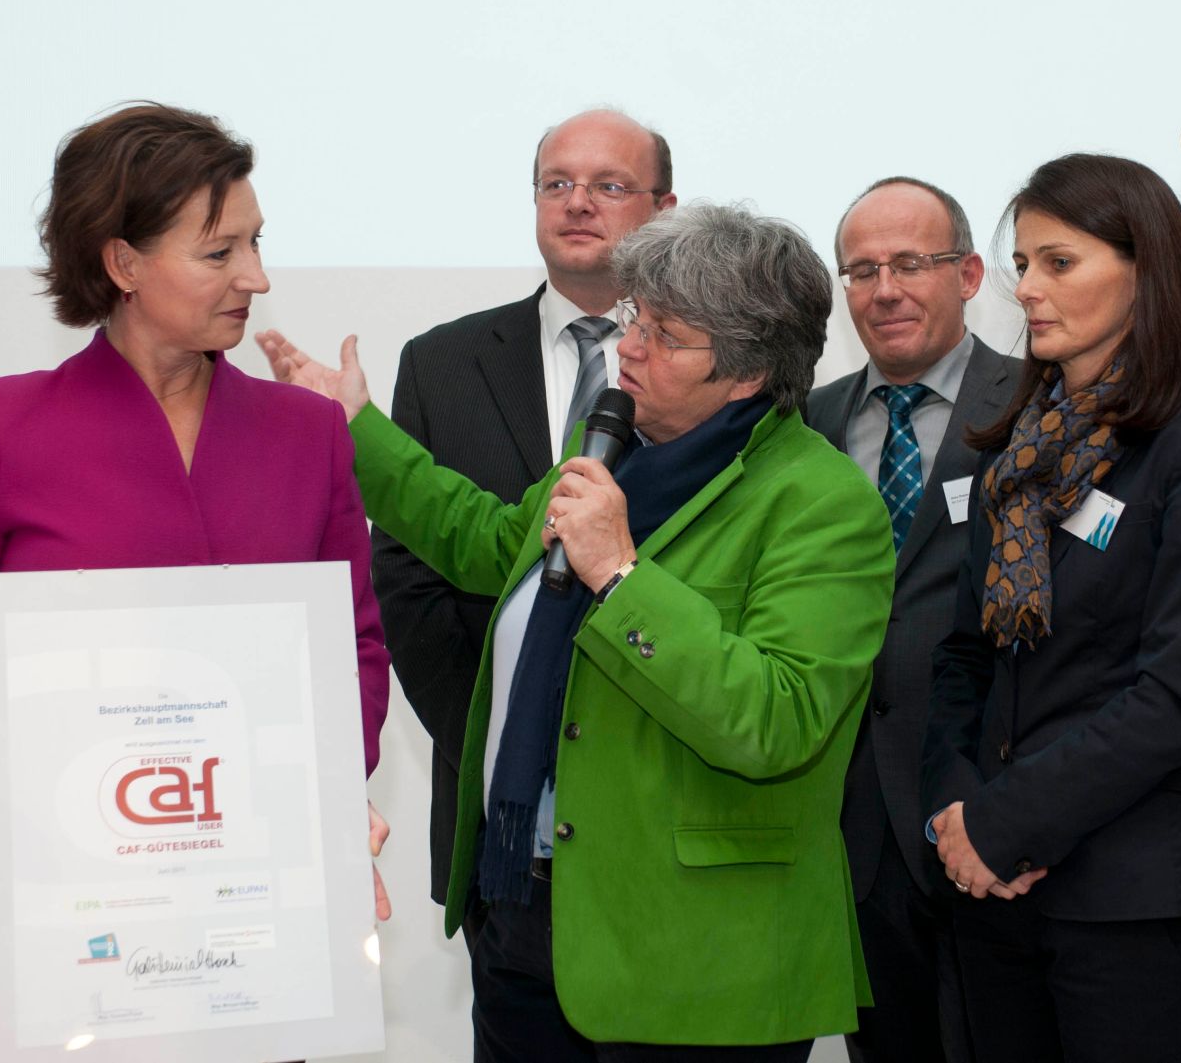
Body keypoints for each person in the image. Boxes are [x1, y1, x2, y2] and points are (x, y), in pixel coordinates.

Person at [259, 202, 895, 1060]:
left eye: (665, 336)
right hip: (529, 908)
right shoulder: (610, 449)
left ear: (744, 374)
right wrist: (355, 430)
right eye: (636, 317)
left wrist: (622, 577)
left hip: (696, 955)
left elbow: (776, 717)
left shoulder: (823, 503)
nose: (627, 346)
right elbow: (485, 543)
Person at [0, 103, 391, 1062]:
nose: (258, 276)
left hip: (253, 914)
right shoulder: (2, 429)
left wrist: (327, 789)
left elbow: (352, 646)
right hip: (51, 917)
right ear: (122, 263)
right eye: (220, 251)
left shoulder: (307, 433)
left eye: (257, 242)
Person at [922, 153, 1181, 1062]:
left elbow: (1178, 696)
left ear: (1145, 270)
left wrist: (1007, 824)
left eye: (1058, 262)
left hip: (1130, 903)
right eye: (1023, 264)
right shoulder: (1013, 453)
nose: (1029, 287)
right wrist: (957, 813)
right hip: (990, 892)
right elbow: (964, 658)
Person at [368, 110, 676, 1027]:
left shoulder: (711, 370)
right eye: (556, 183)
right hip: (504, 818)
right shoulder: (442, 361)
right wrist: (503, 730)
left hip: (657, 809)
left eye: (609, 185)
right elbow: (411, 576)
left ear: (665, 208)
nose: (577, 202)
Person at [807, 176, 1016, 1063]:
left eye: (910, 264)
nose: (883, 288)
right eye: (861, 270)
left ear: (968, 274)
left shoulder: (1033, 405)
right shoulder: (807, 425)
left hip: (996, 812)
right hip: (853, 833)